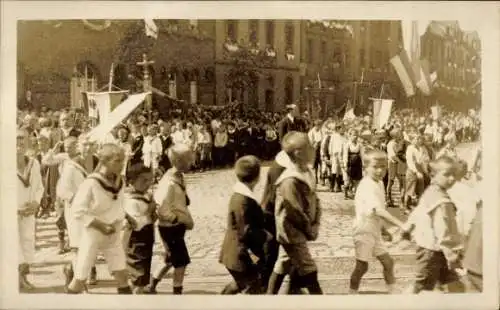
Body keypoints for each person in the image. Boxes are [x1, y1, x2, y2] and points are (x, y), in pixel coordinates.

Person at [66, 143, 130, 294]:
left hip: (113, 233)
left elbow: (119, 204)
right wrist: (100, 225)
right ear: (104, 161)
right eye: (117, 161)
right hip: (94, 233)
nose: (122, 164)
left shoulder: (119, 181)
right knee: (80, 277)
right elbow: (78, 210)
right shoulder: (91, 183)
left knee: (121, 274)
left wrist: (127, 217)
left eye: (123, 160)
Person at [268, 131, 323, 294]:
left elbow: (314, 198)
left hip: (299, 230)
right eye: (309, 147)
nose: (313, 149)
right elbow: (294, 211)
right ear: (299, 153)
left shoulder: (307, 171)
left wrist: (317, 220)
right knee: (309, 269)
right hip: (292, 231)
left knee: (283, 263)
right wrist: (309, 228)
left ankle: (269, 298)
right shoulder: (289, 180)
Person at [401, 156, 465, 293]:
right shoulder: (442, 201)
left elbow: (418, 211)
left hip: (436, 249)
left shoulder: (431, 191)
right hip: (432, 251)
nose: (452, 178)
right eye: (447, 174)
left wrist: (407, 228)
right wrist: (452, 255)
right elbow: (443, 231)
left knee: (454, 283)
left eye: (454, 174)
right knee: (421, 287)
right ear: (433, 175)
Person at [349, 150, 406, 294]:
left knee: (388, 262)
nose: (380, 171)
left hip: (374, 229)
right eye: (375, 167)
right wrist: (400, 224)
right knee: (362, 266)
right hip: (364, 230)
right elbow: (378, 211)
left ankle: (392, 289)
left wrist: (383, 229)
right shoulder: (367, 185)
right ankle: (352, 293)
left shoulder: (379, 183)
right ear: (365, 168)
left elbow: (377, 210)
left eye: (383, 167)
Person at [219, 155, 270, 294]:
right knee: (253, 288)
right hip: (241, 255)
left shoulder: (239, 195)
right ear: (258, 177)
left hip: (234, 252)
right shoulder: (245, 200)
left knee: (241, 283)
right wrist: (266, 235)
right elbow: (247, 230)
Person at [153, 143, 195, 294]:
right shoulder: (168, 182)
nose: (192, 162)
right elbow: (161, 206)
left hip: (176, 227)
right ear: (177, 161)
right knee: (181, 261)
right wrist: (176, 219)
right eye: (189, 160)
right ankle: (177, 292)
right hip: (170, 227)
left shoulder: (179, 177)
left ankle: (151, 285)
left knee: (170, 258)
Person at [122, 163, 156, 294]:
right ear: (131, 181)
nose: (148, 184)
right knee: (138, 274)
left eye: (150, 180)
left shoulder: (145, 196)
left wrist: (153, 214)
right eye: (144, 180)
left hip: (146, 240)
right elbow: (137, 224)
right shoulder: (131, 200)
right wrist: (149, 211)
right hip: (136, 241)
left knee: (143, 272)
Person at [17, 129, 44, 290]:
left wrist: (35, 203)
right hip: (9, 213)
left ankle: (23, 277)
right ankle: (15, 279)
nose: (19, 143)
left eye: (23, 139)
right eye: (16, 139)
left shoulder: (34, 163)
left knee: (27, 243)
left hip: (28, 212)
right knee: (12, 245)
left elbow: (39, 187)